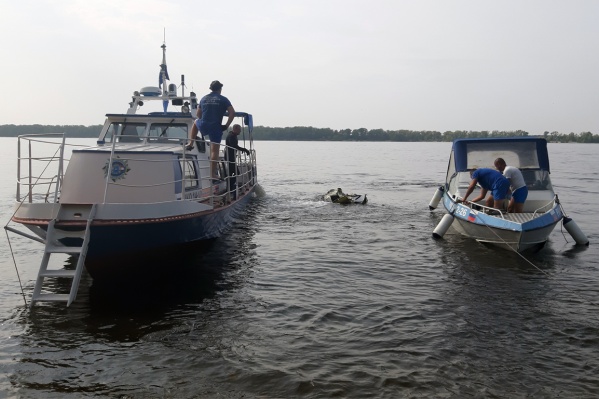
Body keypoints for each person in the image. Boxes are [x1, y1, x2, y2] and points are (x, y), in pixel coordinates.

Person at [187, 80, 235, 180]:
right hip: (215, 127)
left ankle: (191, 143)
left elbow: (198, 115)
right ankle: (212, 174)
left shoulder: (204, 98)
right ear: (220, 89)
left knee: (195, 122)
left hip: (204, 124)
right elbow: (232, 113)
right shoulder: (223, 99)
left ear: (211, 89)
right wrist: (226, 125)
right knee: (215, 151)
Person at [225, 124, 250, 196]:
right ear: (235, 129)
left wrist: (242, 150)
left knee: (232, 173)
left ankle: (230, 188)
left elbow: (235, 146)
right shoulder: (231, 136)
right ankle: (230, 189)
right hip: (230, 157)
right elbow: (234, 146)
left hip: (231, 157)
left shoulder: (233, 135)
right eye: (239, 130)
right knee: (236, 173)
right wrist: (244, 149)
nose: (240, 131)